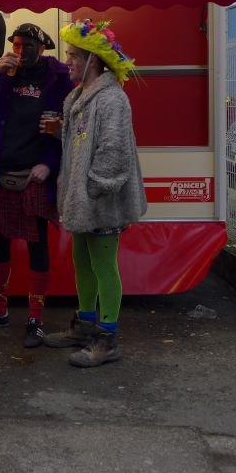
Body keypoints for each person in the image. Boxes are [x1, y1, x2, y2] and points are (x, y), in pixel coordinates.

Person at [0, 23, 73, 347]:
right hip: (1, 172)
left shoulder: (59, 78)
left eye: (27, 46)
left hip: (34, 174)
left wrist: (49, 164)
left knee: (38, 245)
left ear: (42, 48)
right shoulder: (4, 74)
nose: (20, 52)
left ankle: (36, 317)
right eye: (16, 45)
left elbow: (70, 127)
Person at [45, 19, 146, 367]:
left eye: (74, 55)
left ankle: (107, 339)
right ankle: (85, 326)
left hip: (102, 200)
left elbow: (114, 152)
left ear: (93, 60)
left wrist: (93, 189)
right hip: (82, 201)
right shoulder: (77, 97)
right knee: (82, 260)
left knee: (104, 265)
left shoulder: (112, 99)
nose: (68, 61)